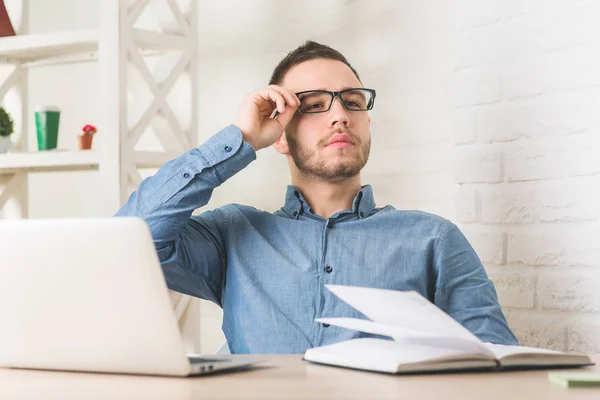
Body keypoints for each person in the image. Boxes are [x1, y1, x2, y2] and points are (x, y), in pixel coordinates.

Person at [116, 40, 518, 354]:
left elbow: (499, 368)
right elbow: (131, 237)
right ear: (280, 135)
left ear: (367, 122)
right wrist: (241, 139)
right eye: (313, 106)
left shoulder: (435, 240)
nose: (339, 115)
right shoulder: (234, 236)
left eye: (353, 102)